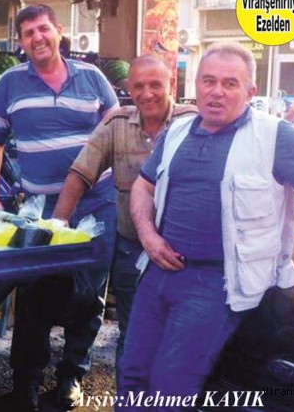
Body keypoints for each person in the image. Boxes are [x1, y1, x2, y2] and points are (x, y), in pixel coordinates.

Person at [117, 41, 294, 409]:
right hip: (158, 273)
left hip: (217, 284)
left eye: (230, 83)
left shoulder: (276, 136)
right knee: (131, 375)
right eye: (208, 81)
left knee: (170, 387)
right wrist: (148, 236)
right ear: (195, 85)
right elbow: (142, 188)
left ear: (250, 92)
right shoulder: (176, 132)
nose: (216, 91)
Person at [0, 4, 119, 411]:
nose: (36, 38)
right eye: (27, 33)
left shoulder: (92, 78)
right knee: (34, 294)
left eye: (42, 29)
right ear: (21, 43)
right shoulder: (9, 84)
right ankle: (26, 386)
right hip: (38, 210)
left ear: (59, 32)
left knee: (90, 294)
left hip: (97, 204)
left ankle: (71, 378)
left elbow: (118, 134)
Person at [51, 55, 197, 378]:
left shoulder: (193, 122)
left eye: (156, 85)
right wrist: (57, 226)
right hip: (133, 251)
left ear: (171, 83)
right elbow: (80, 174)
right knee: (134, 334)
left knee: (186, 337)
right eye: (139, 86)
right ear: (128, 88)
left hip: (186, 257)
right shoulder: (116, 124)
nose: (147, 94)